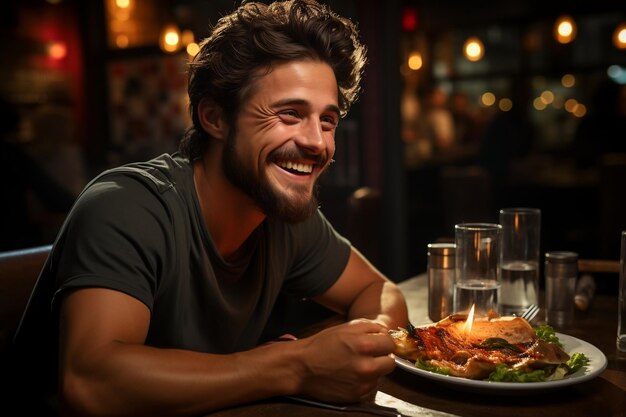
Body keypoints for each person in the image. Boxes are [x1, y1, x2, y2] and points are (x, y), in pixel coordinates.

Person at [10, 1, 409, 416]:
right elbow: (91, 382)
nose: (317, 142)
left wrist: (365, 344)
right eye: (289, 114)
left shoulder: (281, 213)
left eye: (327, 121)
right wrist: (296, 365)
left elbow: (379, 291)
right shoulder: (125, 207)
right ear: (215, 118)